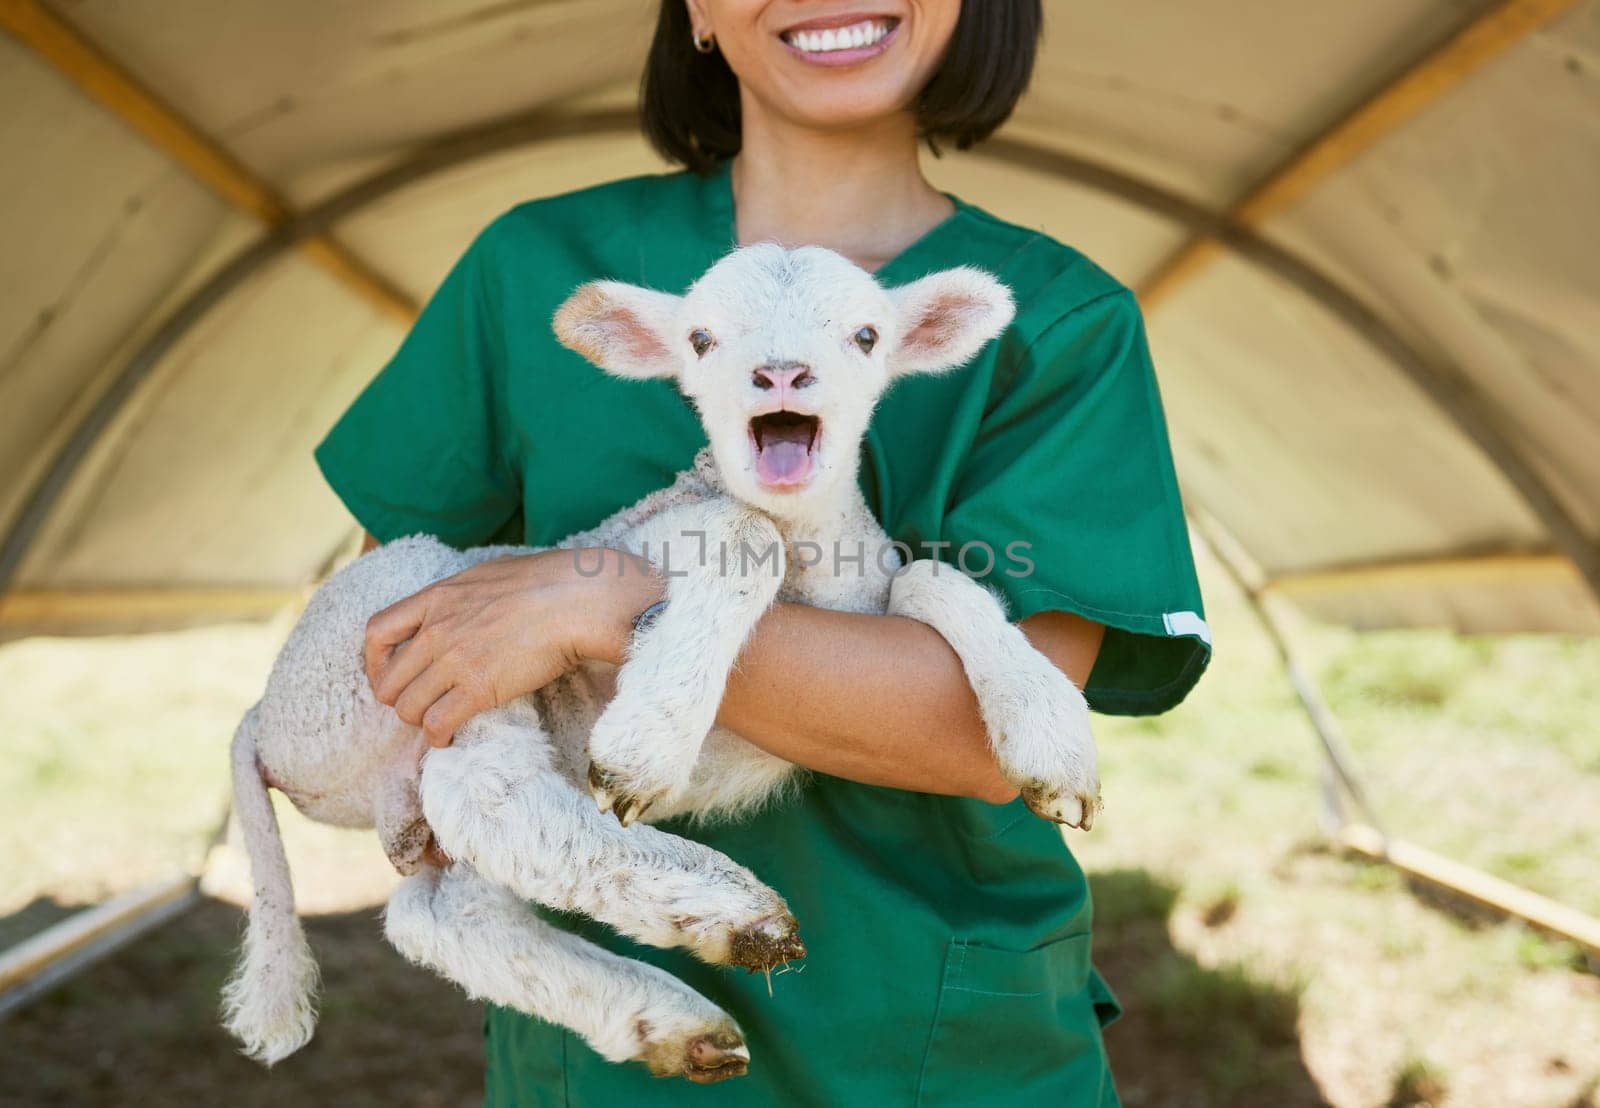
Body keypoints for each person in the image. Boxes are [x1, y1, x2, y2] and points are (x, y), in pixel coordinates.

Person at [313, 1, 1210, 1103]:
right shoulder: (535, 270)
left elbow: (990, 735)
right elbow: (403, 627)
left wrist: (602, 597)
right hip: (611, 1049)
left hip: (931, 1034)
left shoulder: (1058, 322)